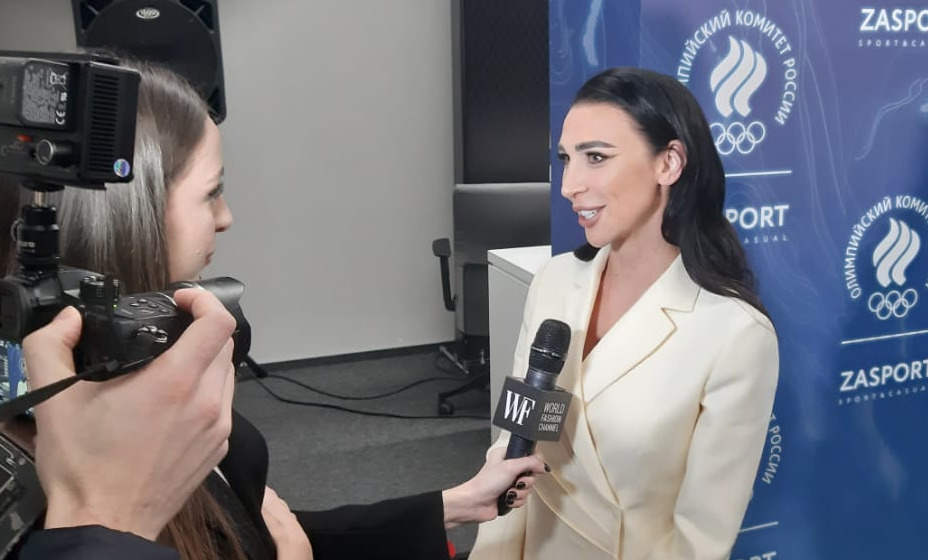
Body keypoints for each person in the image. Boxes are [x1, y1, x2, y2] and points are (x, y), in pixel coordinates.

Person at [0, 59, 547, 560]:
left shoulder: (148, 392)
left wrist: (456, 504)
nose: (226, 217)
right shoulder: (47, 497)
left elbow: (252, 533)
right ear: (130, 217)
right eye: (211, 193)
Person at [468, 67, 780, 560]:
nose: (569, 185)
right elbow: (514, 448)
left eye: (596, 157)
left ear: (669, 163)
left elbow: (700, 539)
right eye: (566, 159)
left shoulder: (735, 333)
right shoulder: (554, 281)